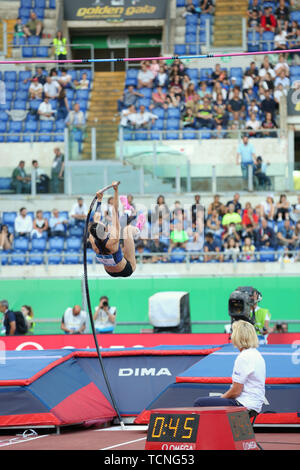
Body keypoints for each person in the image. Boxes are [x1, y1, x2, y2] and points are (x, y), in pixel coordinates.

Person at [194, 320, 266, 416]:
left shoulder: (244, 357)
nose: (231, 336)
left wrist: (222, 397)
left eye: (233, 333)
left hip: (244, 403)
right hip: (254, 404)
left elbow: (236, 391)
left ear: (237, 336)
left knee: (199, 403)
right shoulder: (256, 354)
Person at [88, 182, 145, 278]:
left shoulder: (92, 239)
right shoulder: (112, 240)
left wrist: (99, 200)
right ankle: (138, 227)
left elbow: (96, 219)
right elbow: (115, 210)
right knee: (127, 230)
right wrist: (116, 190)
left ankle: (127, 210)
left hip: (110, 272)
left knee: (122, 229)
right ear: (105, 230)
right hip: (127, 270)